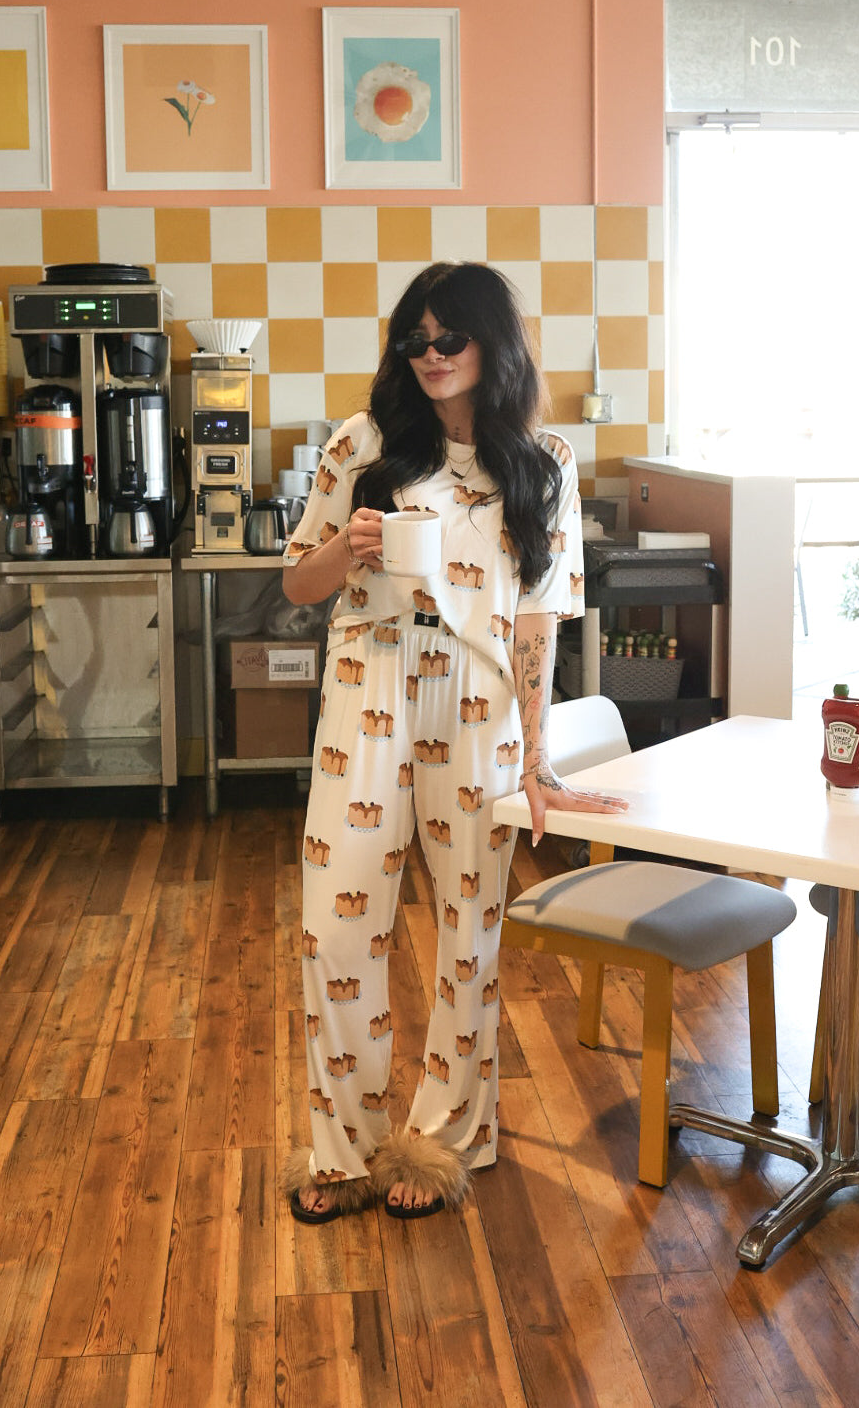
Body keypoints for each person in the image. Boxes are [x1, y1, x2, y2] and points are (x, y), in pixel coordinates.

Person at [279, 261, 627, 1224]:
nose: (430, 358)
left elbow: (536, 624)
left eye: (450, 340)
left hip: (478, 703)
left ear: (491, 346)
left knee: (470, 936)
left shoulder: (543, 462)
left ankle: (447, 1139)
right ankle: (342, 1150)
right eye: (415, 342)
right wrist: (343, 549)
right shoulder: (365, 441)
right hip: (369, 682)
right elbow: (296, 588)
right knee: (336, 925)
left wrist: (540, 751)